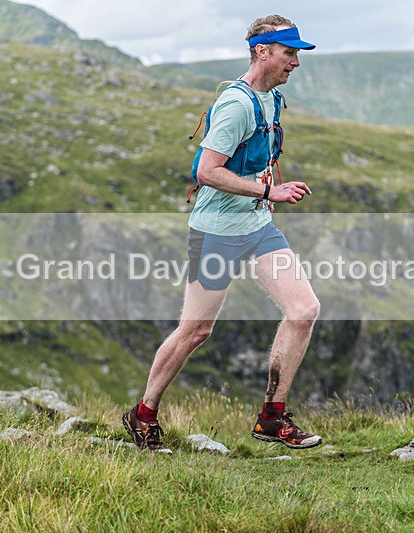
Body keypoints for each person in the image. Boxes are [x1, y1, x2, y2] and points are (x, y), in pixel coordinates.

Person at [123, 14, 322, 451]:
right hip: (216, 232)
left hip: (257, 226)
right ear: (262, 52)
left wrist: (265, 192)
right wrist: (269, 188)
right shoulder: (236, 104)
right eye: (289, 53)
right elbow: (205, 171)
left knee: (304, 309)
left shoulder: (271, 100)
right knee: (196, 330)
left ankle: (272, 416)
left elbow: (254, 159)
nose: (296, 63)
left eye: (297, 55)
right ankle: (144, 414)